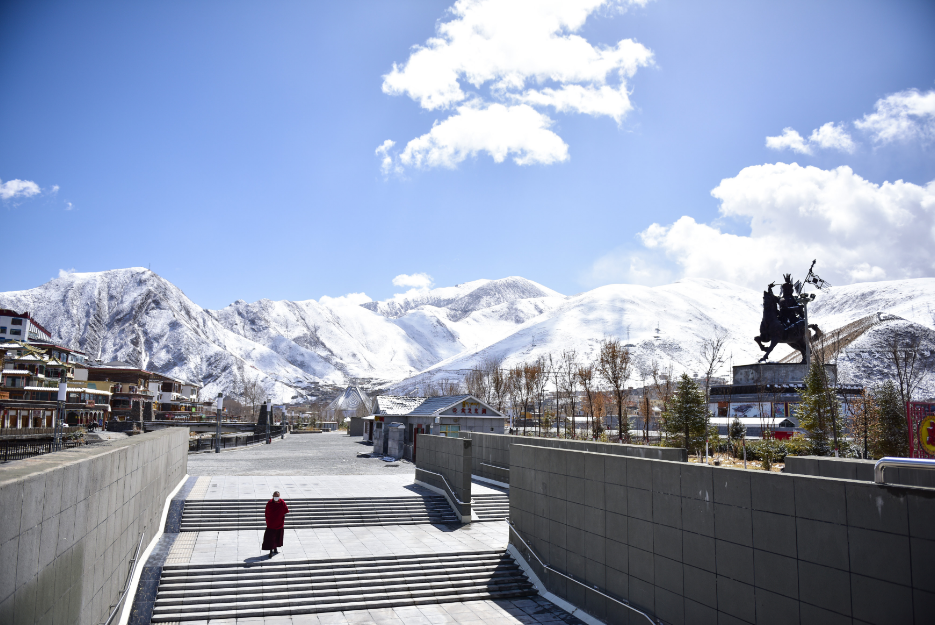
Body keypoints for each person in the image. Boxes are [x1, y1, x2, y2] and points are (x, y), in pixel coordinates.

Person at [262, 491, 289, 557]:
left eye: (277, 496)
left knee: (277, 536)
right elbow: (267, 513)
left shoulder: (282, 502)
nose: (276, 497)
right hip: (271, 524)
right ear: (273, 496)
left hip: (279, 523)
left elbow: (285, 510)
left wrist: (280, 516)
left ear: (279, 496)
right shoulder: (270, 503)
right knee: (270, 537)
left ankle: (275, 548)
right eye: (275, 496)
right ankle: (271, 551)